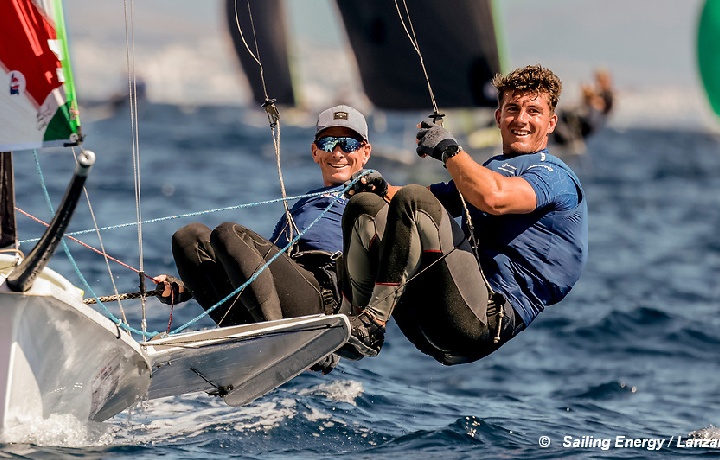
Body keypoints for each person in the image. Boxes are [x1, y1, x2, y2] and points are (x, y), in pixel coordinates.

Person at [337, 64, 588, 365]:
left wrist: (448, 149)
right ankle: (349, 323)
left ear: (551, 122)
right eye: (512, 109)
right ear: (498, 117)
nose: (521, 119)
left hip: (484, 320)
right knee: (365, 204)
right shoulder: (490, 169)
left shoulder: (555, 176)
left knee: (413, 199)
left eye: (533, 111)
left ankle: (372, 324)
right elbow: (437, 199)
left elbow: (494, 198)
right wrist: (380, 187)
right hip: (437, 315)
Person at [154, 104, 374, 373]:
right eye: (328, 143)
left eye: (348, 144)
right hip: (280, 297)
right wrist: (187, 286)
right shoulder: (303, 205)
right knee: (189, 237)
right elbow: (250, 270)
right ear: (316, 152)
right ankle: (255, 340)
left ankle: (276, 340)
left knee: (228, 233)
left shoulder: (374, 198)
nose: (338, 153)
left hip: (322, 298)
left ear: (365, 153)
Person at [553, 67, 614, 148]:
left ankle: (567, 140)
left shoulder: (607, 95)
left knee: (565, 114)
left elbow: (599, 107)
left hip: (591, 123)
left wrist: (590, 97)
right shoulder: (600, 93)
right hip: (590, 121)